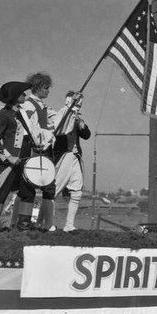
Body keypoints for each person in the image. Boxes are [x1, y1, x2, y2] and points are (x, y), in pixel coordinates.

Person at [0, 81, 39, 233]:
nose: (25, 95)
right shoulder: (3, 115)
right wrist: (8, 157)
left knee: (28, 192)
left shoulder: (21, 113)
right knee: (2, 192)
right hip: (10, 162)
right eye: (22, 93)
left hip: (25, 160)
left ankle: (23, 226)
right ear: (15, 96)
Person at [19, 72, 57, 231]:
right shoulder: (29, 105)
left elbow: (54, 121)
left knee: (48, 186)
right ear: (37, 88)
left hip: (44, 149)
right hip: (34, 149)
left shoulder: (43, 106)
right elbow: (30, 128)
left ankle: (48, 223)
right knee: (27, 187)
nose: (48, 91)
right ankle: (22, 222)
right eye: (46, 88)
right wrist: (39, 142)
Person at [51, 90, 91, 232]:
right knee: (53, 191)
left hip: (75, 156)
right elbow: (57, 131)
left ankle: (69, 225)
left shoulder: (78, 118)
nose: (78, 106)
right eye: (76, 102)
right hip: (63, 155)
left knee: (77, 192)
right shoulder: (60, 115)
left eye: (80, 103)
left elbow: (87, 135)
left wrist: (82, 126)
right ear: (68, 101)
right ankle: (46, 223)